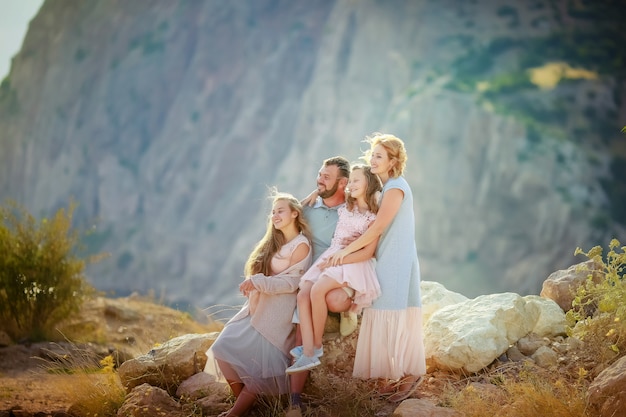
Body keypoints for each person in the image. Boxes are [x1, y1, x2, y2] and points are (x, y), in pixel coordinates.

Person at [328, 133, 427, 403]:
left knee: (392, 311)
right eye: (372, 154)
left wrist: (346, 251)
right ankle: (392, 375)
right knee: (386, 310)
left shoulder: (396, 187)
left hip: (397, 258)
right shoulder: (387, 186)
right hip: (389, 256)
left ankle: (410, 375)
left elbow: (380, 227)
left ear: (393, 161)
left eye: (379, 156)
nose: (373, 159)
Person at [203, 190, 312, 417]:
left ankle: (237, 412)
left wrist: (259, 281)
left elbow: (292, 283)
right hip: (257, 308)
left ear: (294, 214)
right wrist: (256, 282)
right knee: (222, 348)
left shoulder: (301, 245)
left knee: (259, 371)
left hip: (276, 314)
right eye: (273, 212)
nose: (275, 215)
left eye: (280, 211)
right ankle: (245, 403)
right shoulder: (276, 242)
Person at [286, 165, 382, 374]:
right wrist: (314, 193)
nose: (351, 184)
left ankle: (314, 350)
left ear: (369, 184)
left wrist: (341, 258)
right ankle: (308, 347)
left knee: (318, 290)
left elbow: (367, 253)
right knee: (303, 293)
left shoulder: (373, 218)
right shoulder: (347, 207)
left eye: (356, 180)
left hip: (351, 262)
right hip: (333, 255)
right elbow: (305, 206)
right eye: (351, 180)